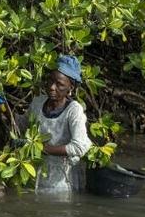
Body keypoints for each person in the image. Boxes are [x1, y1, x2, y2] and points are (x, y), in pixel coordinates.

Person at [16, 55, 93, 193]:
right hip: (36, 171)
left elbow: (79, 147)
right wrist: (3, 109)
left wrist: (42, 149)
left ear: (71, 87)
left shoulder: (74, 110)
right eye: (50, 81)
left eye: (59, 84)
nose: (52, 87)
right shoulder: (38, 102)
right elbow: (22, 125)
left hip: (62, 180)